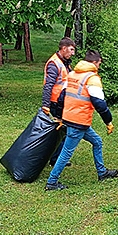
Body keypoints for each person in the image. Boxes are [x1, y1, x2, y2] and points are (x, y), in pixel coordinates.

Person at [45, 50, 118, 191]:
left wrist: (60, 116)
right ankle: (52, 182)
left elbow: (61, 97)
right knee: (66, 152)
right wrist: (108, 121)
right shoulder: (92, 79)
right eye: (99, 63)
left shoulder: (72, 74)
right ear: (95, 62)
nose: (99, 66)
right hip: (79, 121)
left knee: (97, 142)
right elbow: (100, 104)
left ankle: (102, 172)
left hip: (72, 119)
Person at [42, 37, 75, 166]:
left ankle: (56, 158)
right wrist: (45, 105)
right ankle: (56, 159)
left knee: (61, 130)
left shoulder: (64, 63)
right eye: (71, 50)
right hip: (56, 103)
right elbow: (48, 85)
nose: (73, 53)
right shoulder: (54, 63)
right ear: (64, 48)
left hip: (62, 102)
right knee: (62, 131)